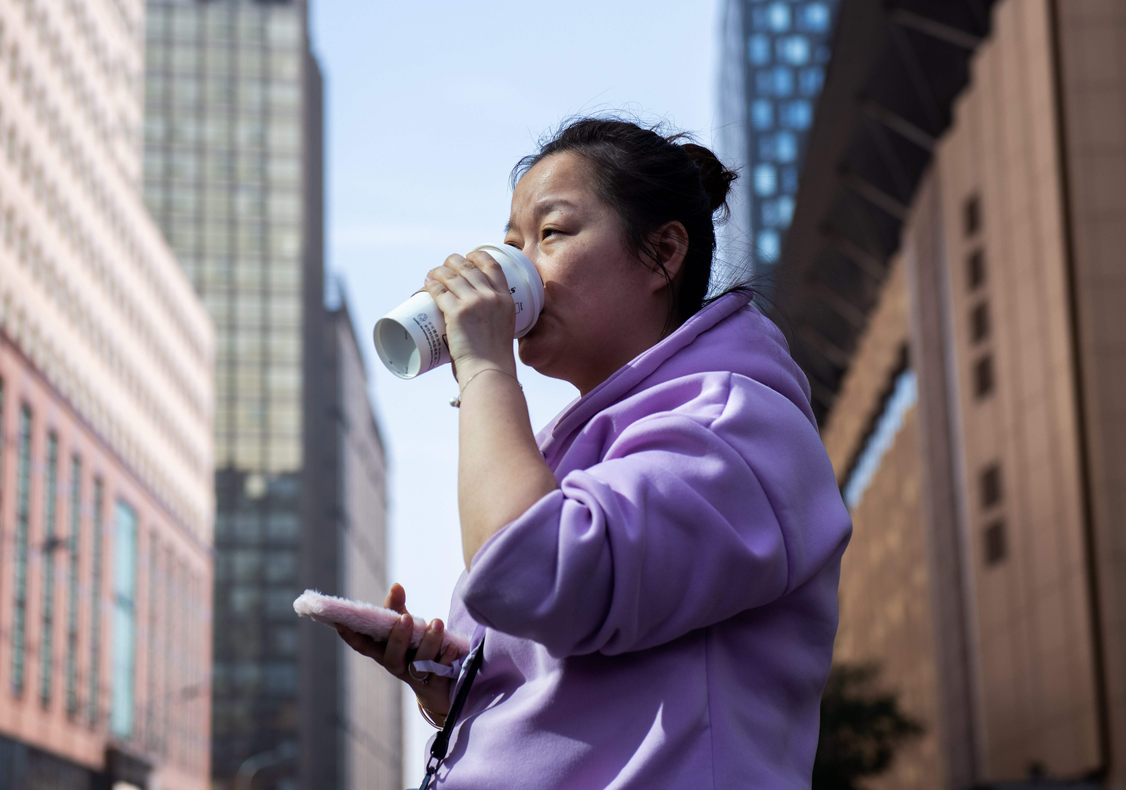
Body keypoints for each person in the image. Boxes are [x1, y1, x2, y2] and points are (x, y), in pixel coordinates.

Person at [335, 117, 851, 789]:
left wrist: (486, 368)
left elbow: (537, 570)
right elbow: (589, 648)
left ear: (663, 254)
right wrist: (463, 687)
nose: (513, 266)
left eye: (550, 234)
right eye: (511, 242)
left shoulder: (731, 422)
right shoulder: (585, 444)